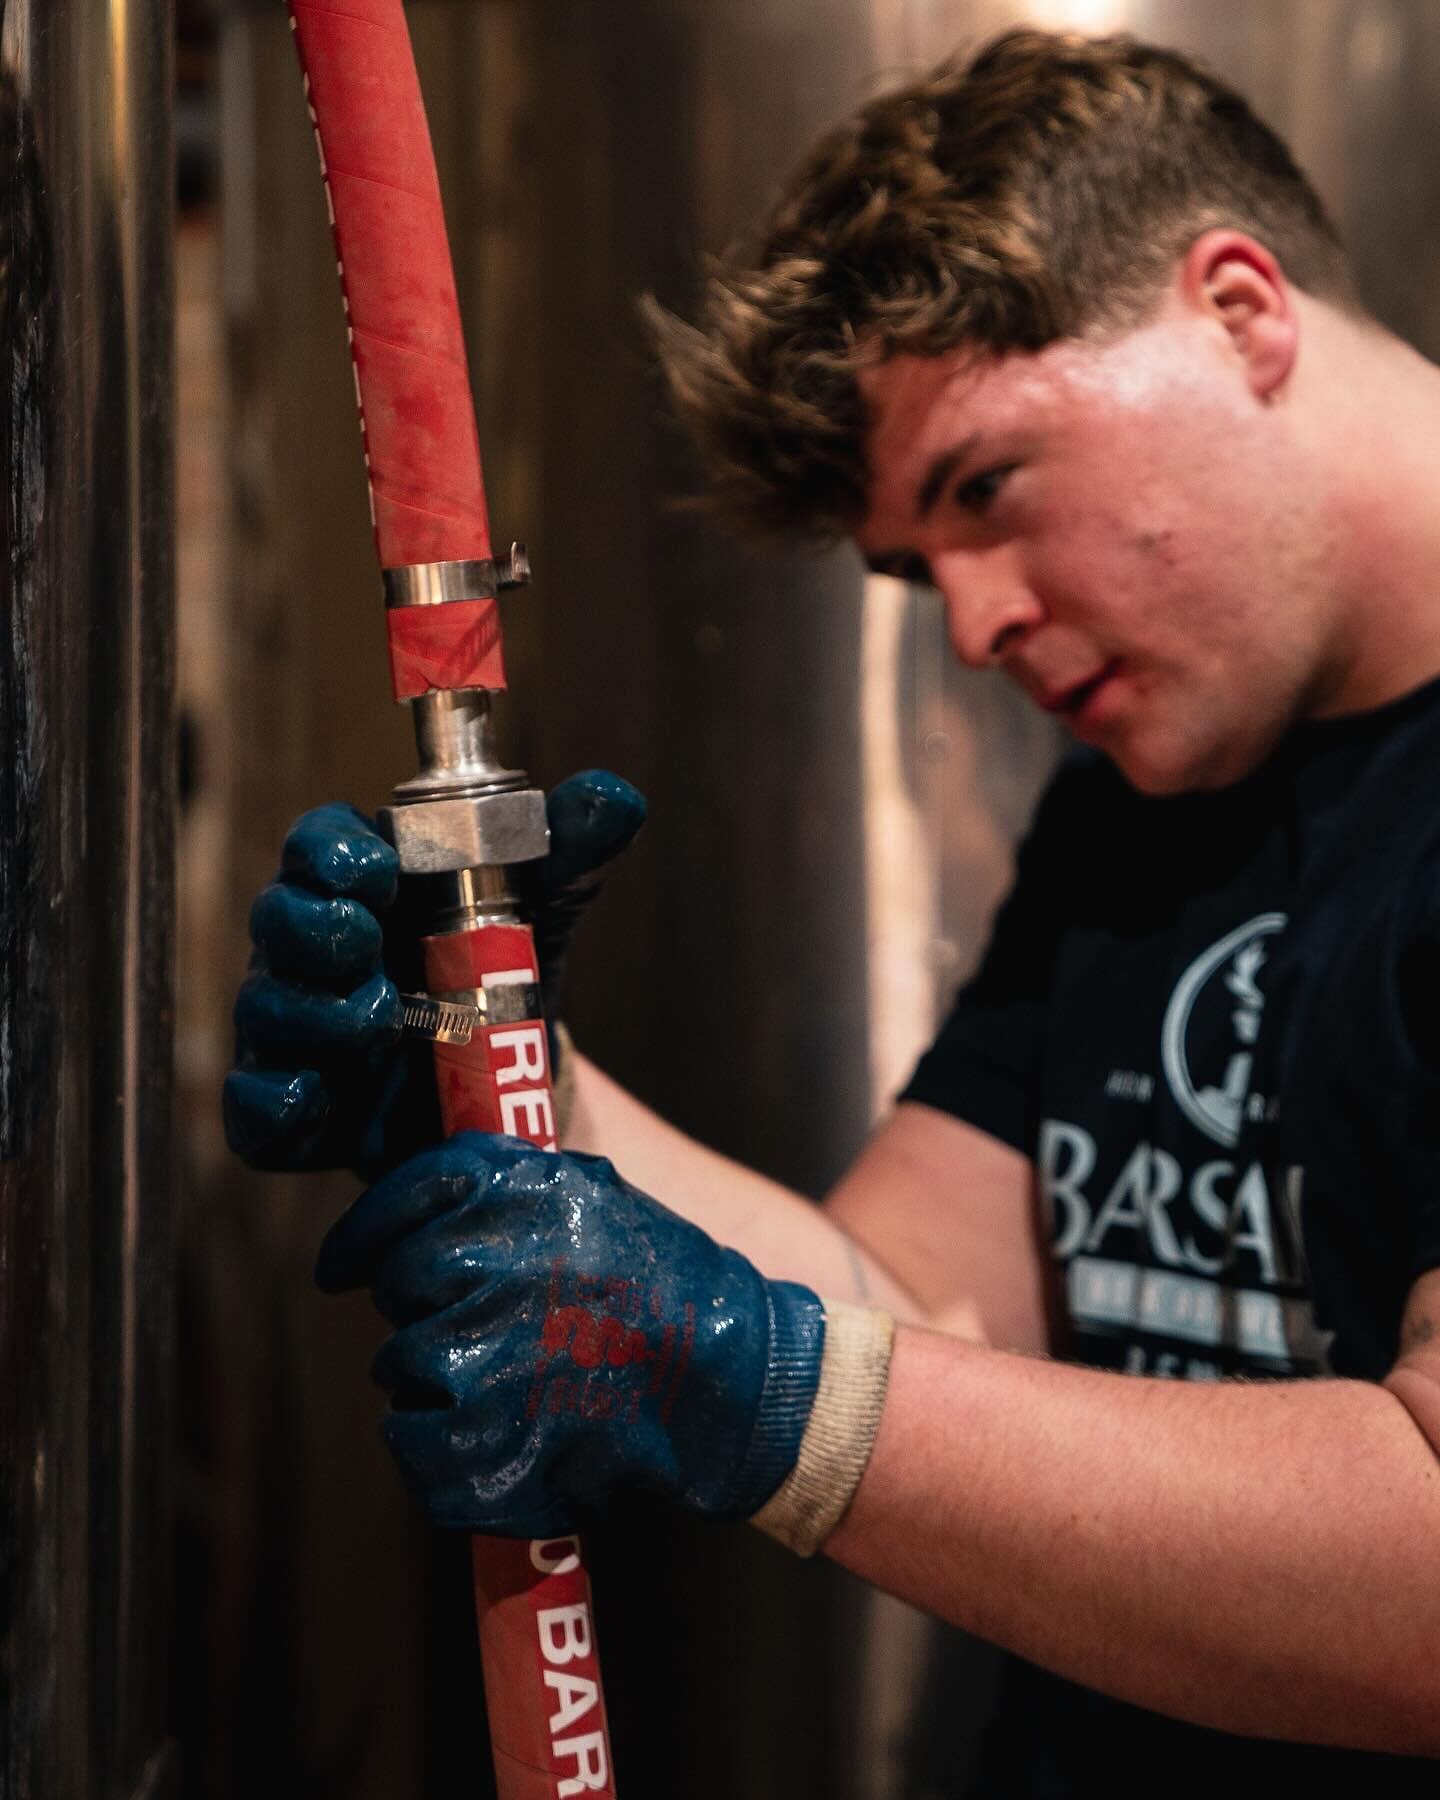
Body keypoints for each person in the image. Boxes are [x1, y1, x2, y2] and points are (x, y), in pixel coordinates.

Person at [224, 28, 1440, 1790]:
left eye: (988, 488)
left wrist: (766, 1397)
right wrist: (517, 1096)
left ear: (1238, 310)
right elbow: (912, 1321)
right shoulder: (1154, 802)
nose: (970, 630)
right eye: (913, 569)